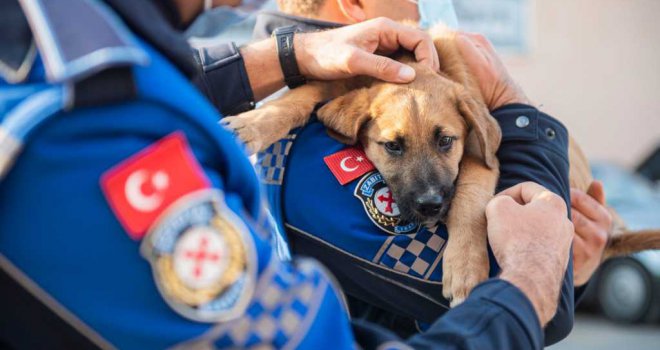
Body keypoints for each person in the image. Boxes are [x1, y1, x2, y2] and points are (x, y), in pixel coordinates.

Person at [0, 0, 572, 349]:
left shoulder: (90, 54)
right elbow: (533, 291)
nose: (427, 15)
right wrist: (521, 119)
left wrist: (292, 55)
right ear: (353, 3)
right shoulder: (90, 111)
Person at [250, 0, 609, 345]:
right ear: (355, 4)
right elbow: (523, 293)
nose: (428, 10)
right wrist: (508, 101)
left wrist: (573, 270)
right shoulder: (315, 141)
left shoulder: (411, 91)